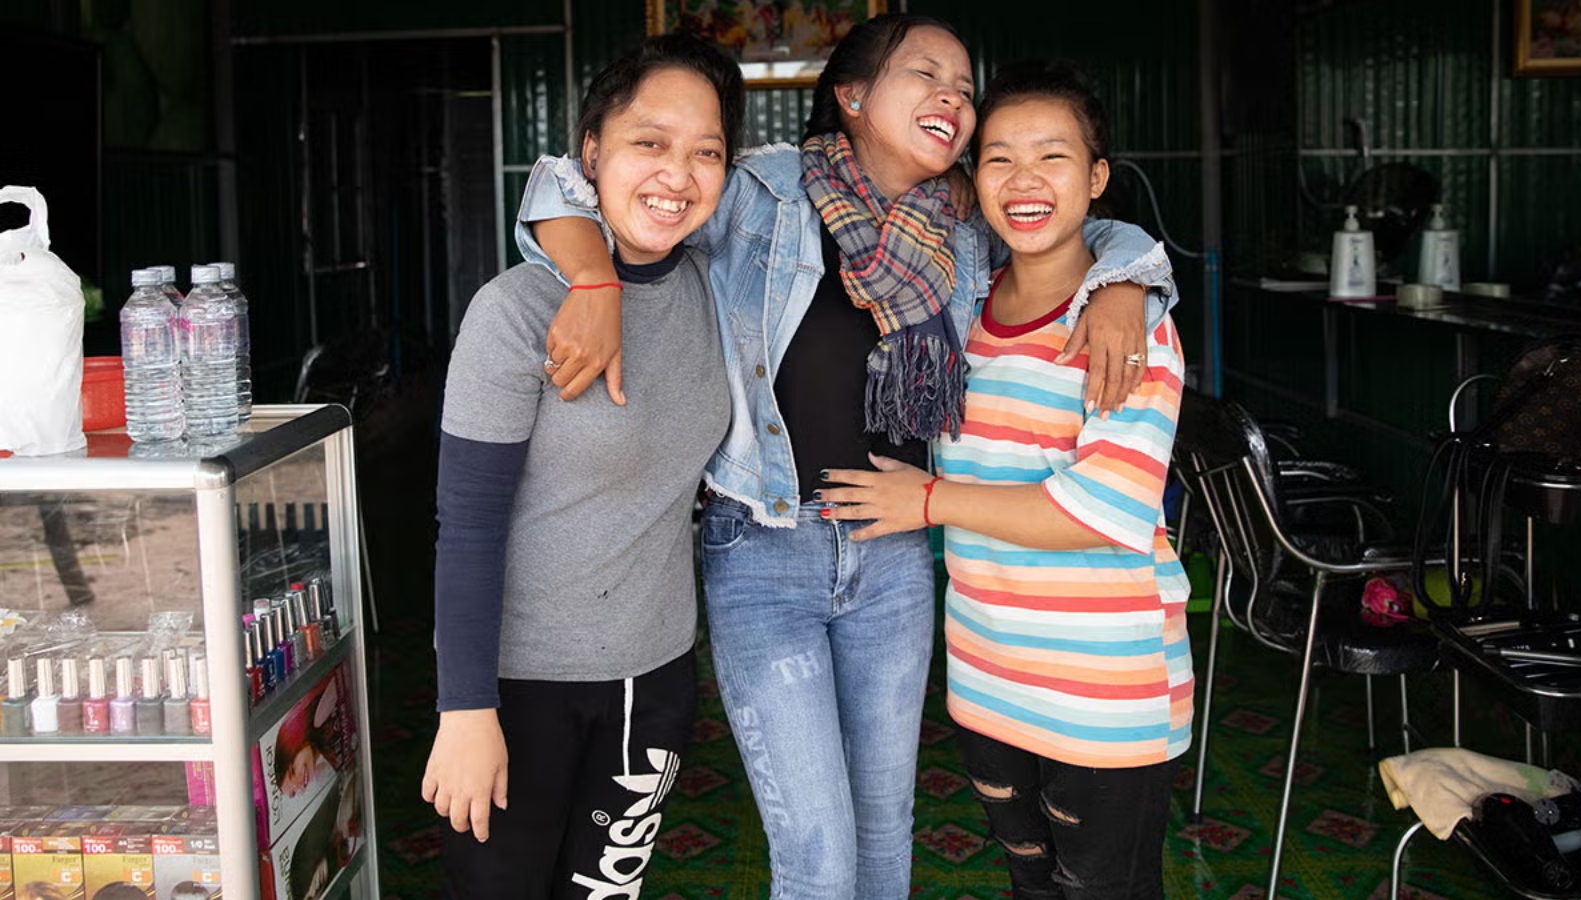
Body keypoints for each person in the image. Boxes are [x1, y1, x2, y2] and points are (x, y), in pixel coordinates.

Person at [517, 15, 1176, 899]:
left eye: (963, 86)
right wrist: (594, 280)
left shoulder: (961, 228)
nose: (952, 96)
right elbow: (563, 187)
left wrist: (1127, 280)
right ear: (854, 96)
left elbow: (1083, 230)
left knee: (882, 836)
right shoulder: (760, 194)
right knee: (819, 855)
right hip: (765, 551)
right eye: (925, 73)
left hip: (897, 561)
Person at [818, 59, 1192, 900]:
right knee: (1032, 887)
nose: (1024, 180)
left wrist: (925, 503)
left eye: (1053, 157)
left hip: (1105, 696)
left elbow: (1101, 509)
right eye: (998, 158)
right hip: (991, 681)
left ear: (1097, 178)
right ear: (972, 178)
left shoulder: (1126, 335)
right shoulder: (963, 315)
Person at [419, 33, 741, 900]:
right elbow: (470, 527)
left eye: (705, 152)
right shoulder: (517, 311)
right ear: (590, 153)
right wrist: (465, 710)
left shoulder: (719, 290)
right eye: (650, 142)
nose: (677, 174)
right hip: (516, 687)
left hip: (654, 679)